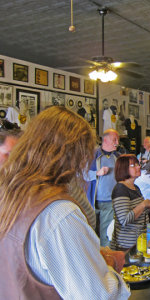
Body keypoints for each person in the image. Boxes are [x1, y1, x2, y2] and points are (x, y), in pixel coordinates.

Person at [0, 106, 130, 299]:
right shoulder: (59, 213)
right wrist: (110, 264)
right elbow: (99, 295)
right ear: (73, 155)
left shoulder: (10, 195)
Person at [111, 154, 150, 251]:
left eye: (138, 164)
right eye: (133, 165)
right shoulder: (121, 189)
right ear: (123, 169)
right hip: (125, 246)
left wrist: (149, 206)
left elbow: (138, 213)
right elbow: (124, 220)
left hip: (138, 243)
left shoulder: (135, 187)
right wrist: (143, 204)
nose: (139, 167)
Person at [87, 129, 120, 247]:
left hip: (109, 201)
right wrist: (96, 173)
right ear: (105, 140)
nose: (117, 142)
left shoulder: (117, 157)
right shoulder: (92, 155)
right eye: (114, 139)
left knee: (106, 234)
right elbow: (80, 174)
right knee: (91, 234)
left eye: (118, 140)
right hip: (92, 201)